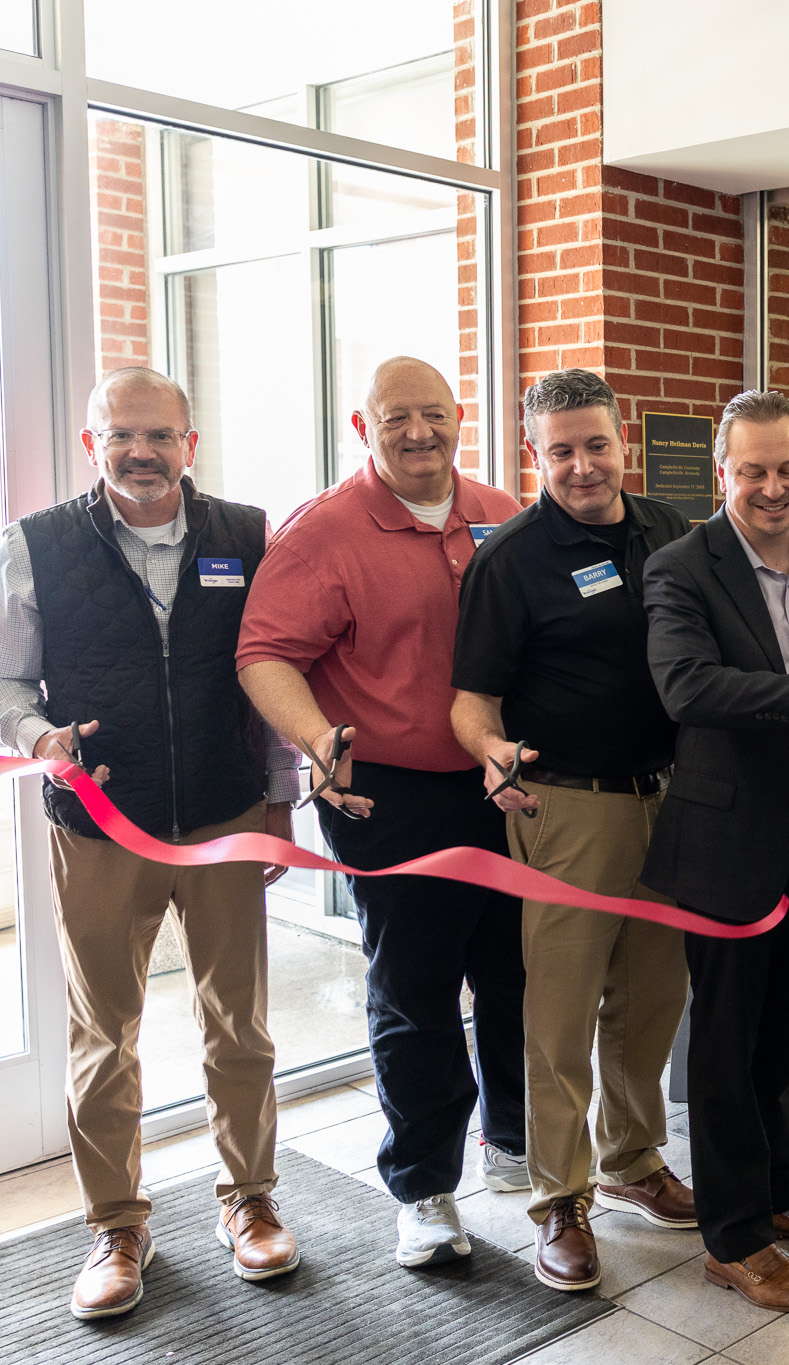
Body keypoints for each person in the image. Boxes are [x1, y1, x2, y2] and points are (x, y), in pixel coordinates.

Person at [0, 368, 301, 1318]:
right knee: (104, 1033)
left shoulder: (248, 536)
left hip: (223, 813)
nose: (141, 451)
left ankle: (249, 1200)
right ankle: (116, 1224)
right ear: (94, 444)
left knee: (240, 1023)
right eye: (121, 435)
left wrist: (281, 803)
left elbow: (272, 675)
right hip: (100, 823)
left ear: (190, 443)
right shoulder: (33, 547)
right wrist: (36, 737)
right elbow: (7, 685)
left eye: (159, 435)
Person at [237, 356, 528, 1269]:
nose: (418, 432)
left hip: (505, 784)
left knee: (522, 976)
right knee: (416, 998)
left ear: (459, 418)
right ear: (363, 426)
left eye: (433, 415)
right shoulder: (322, 532)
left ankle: (521, 1151)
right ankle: (425, 1191)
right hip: (391, 794)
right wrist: (317, 741)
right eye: (395, 417)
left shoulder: (504, 511)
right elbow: (265, 653)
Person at [450, 369, 695, 1293]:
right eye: (561, 451)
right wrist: (492, 750)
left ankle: (633, 1162)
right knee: (559, 1012)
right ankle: (559, 1196)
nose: (583, 466)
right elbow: (468, 704)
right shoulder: (508, 558)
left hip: (671, 800)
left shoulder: (671, 530)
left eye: (596, 444)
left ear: (621, 438)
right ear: (533, 454)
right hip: (569, 808)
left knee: (652, 996)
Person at [638, 388, 789, 1313]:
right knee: (728, 1037)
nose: (773, 488)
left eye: (787, 469)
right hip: (727, 838)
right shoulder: (682, 567)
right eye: (753, 472)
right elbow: (687, 687)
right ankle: (732, 1233)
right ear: (722, 471)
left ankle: (782, 1189)